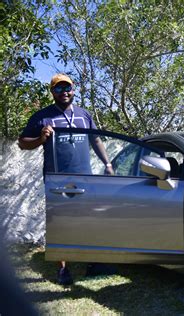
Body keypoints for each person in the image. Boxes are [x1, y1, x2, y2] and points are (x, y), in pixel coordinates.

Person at [18, 73, 115, 285]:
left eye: (68, 88)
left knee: (89, 220)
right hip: (56, 179)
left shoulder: (84, 115)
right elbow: (22, 143)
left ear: (74, 89)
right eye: (59, 89)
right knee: (59, 224)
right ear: (52, 92)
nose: (65, 92)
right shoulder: (43, 117)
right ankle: (63, 270)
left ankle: (94, 264)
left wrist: (107, 163)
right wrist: (41, 137)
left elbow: (95, 139)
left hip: (84, 178)